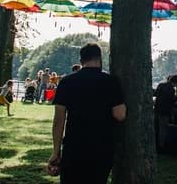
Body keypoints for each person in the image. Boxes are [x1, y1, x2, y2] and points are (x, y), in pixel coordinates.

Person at [48, 43, 125, 184]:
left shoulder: (66, 82)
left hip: (74, 146)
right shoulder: (111, 82)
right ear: (99, 59)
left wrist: (56, 151)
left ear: (81, 60)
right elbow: (119, 115)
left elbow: (59, 120)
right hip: (101, 147)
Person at [154, 75, 177, 151]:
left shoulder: (161, 85)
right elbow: (172, 101)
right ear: (175, 83)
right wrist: (176, 97)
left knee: (156, 127)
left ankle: (155, 143)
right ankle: (161, 146)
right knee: (163, 129)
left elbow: (155, 94)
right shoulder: (172, 89)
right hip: (165, 111)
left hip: (157, 109)